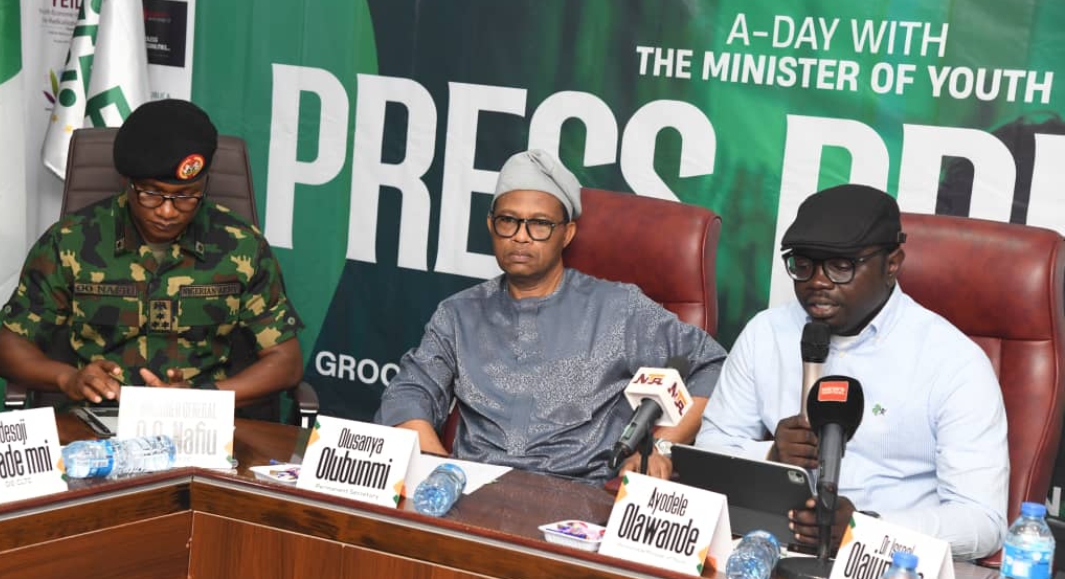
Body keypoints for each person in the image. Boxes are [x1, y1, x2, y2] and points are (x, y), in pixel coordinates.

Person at [374, 149, 726, 485]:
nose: (521, 237)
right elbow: (407, 396)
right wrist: (441, 473)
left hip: (581, 498)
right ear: (491, 225)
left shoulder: (618, 308)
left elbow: (711, 366)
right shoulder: (458, 314)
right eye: (508, 221)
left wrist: (660, 446)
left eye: (540, 224)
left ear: (566, 233)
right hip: (470, 492)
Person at [694, 184, 1008, 560]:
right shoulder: (767, 334)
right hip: (771, 552)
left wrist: (866, 529)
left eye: (841, 266)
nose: (817, 281)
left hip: (887, 562)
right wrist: (770, 453)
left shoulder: (953, 362)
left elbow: (983, 521)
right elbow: (708, 450)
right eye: (803, 264)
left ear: (892, 264)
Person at [0, 99, 303, 406]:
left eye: (186, 196)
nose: (167, 212)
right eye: (151, 194)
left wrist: (207, 398)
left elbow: (286, 361)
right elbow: (6, 350)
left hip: (201, 421)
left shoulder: (242, 245)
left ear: (205, 184)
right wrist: (68, 378)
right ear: (127, 181)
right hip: (99, 418)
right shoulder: (69, 241)